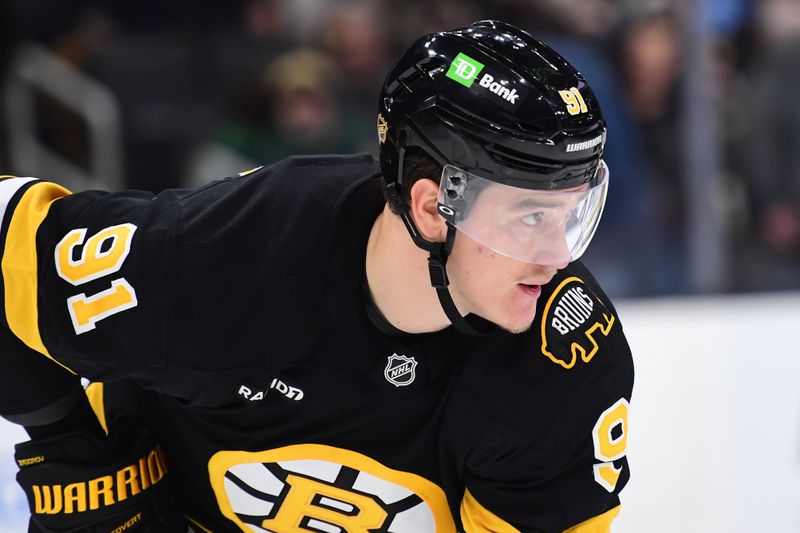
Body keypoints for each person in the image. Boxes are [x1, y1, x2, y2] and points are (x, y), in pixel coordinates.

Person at [0, 20, 633, 533]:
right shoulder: (233, 256)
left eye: (571, 216)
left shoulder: (566, 363)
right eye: (530, 218)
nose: (559, 257)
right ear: (430, 208)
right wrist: (72, 450)